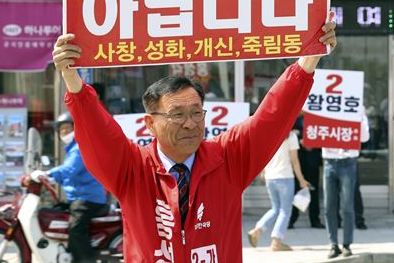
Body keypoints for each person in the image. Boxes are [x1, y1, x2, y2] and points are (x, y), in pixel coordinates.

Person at [51, 14, 337, 262]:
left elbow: (272, 117)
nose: (190, 124)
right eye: (177, 115)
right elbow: (98, 131)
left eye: (197, 113)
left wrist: (310, 57)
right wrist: (72, 79)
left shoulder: (228, 159)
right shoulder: (132, 169)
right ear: (150, 123)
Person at [30, 112, 108, 263]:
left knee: (75, 229)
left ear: (76, 129)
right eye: (62, 130)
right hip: (79, 197)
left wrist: (47, 173)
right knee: (56, 215)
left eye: (67, 128)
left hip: (88, 198)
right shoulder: (73, 149)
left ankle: (86, 260)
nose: (64, 133)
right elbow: (70, 174)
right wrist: (51, 179)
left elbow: (69, 170)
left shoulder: (79, 148)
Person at [247, 129, 311, 251]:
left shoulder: (268, 133)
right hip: (285, 177)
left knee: (276, 209)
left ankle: (257, 230)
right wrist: (301, 179)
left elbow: (264, 155)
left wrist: (264, 171)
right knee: (285, 211)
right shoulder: (291, 135)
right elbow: (295, 161)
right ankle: (276, 241)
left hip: (270, 177)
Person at [323, 109, 370, 259]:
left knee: (347, 206)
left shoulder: (356, 107)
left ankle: (347, 244)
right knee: (329, 206)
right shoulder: (327, 106)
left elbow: (364, 137)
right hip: (330, 161)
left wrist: (360, 116)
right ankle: (333, 244)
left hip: (348, 162)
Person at [288, 115, 325, 229]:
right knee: (296, 189)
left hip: (313, 159)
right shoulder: (294, 117)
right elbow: (287, 135)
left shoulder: (318, 117)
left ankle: (315, 219)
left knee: (313, 190)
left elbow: (325, 136)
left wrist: (314, 144)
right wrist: (300, 141)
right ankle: (292, 219)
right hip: (298, 159)